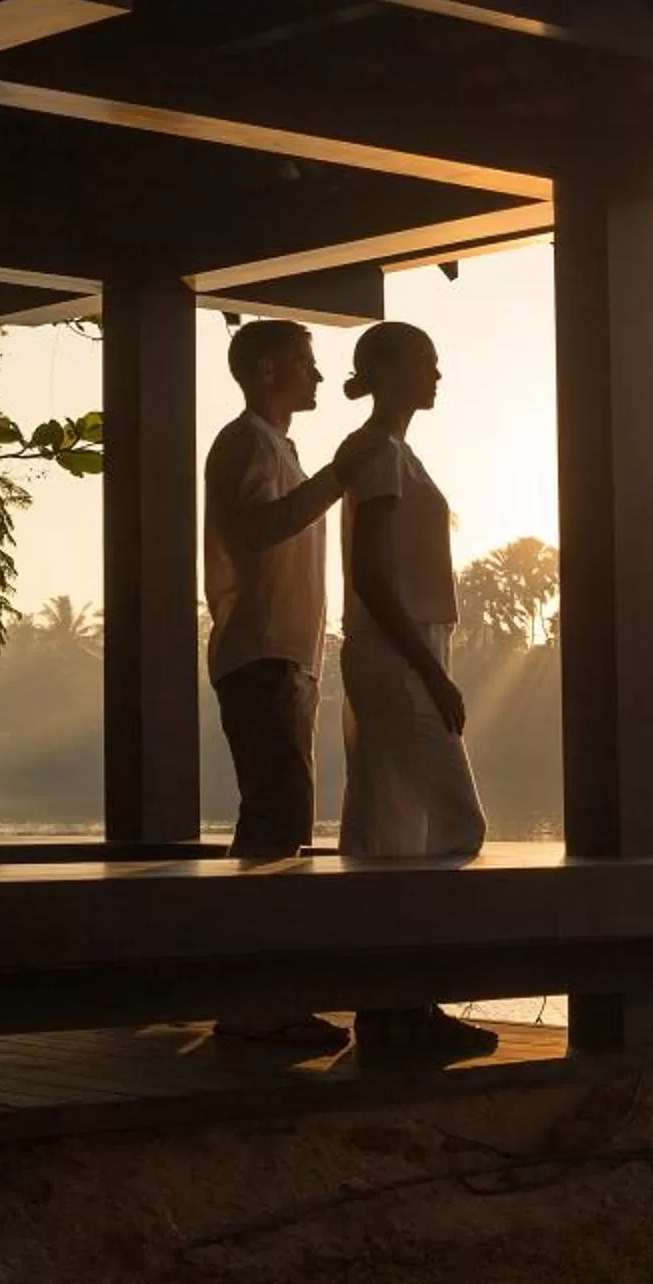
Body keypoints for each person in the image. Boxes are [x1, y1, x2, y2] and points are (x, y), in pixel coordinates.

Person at [334, 321, 499, 1064]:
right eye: (427, 364)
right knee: (455, 825)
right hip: (398, 653)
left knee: (394, 833)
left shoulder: (395, 451)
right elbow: (370, 575)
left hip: (406, 648)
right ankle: (408, 1002)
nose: (438, 376)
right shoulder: (377, 452)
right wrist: (429, 671)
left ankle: (392, 1010)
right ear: (392, 370)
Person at [201, 317, 357, 1051]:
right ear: (267, 370)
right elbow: (257, 531)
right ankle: (254, 1004)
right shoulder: (246, 443)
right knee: (276, 825)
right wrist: (338, 478)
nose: (318, 375)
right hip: (261, 653)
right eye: (304, 362)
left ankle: (257, 996)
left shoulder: (277, 447)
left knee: (279, 823)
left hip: (285, 656)